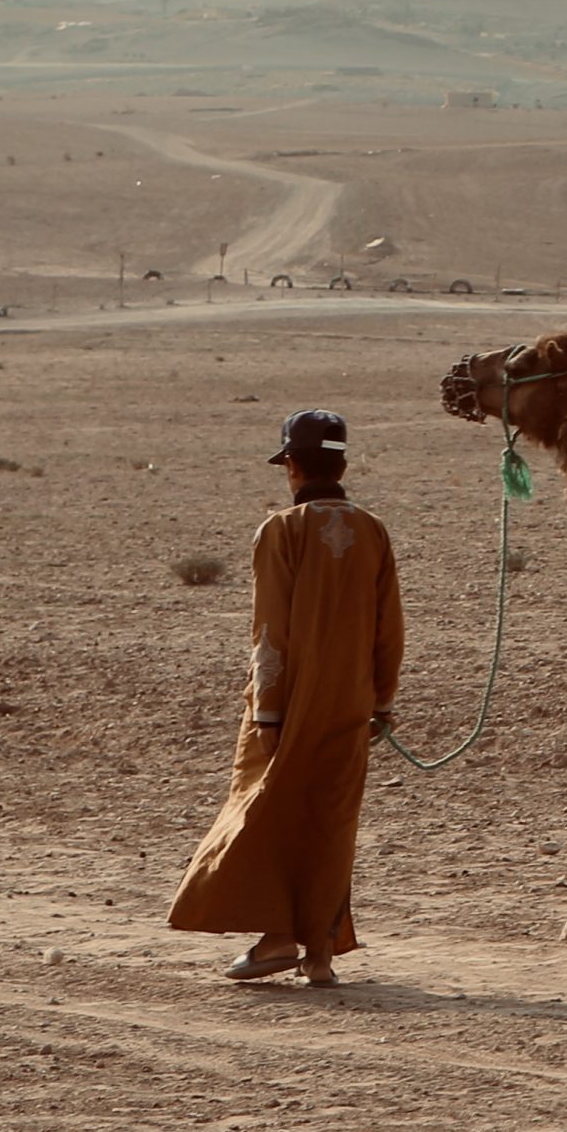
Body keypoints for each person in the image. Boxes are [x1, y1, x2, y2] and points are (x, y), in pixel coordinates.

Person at [168, 409, 405, 982]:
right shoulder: (372, 530)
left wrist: (267, 714)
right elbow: (389, 626)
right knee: (331, 822)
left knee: (270, 817)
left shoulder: (281, 530)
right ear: (342, 463)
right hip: (352, 705)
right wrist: (381, 702)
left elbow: (269, 631)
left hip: (288, 706)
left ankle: (276, 940)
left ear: (292, 466)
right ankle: (319, 955)